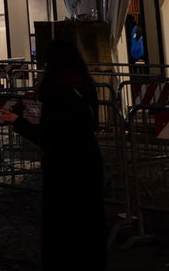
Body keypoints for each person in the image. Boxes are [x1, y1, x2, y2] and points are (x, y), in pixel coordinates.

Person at [9, 40, 106, 271]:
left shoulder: (57, 93)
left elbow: (49, 136)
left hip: (62, 169)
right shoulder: (84, 85)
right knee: (88, 225)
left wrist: (17, 122)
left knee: (61, 230)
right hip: (88, 164)